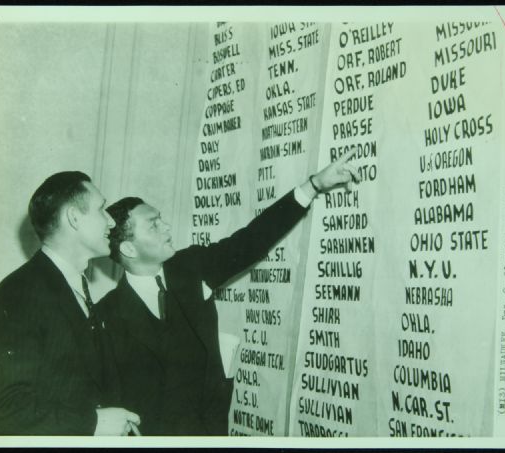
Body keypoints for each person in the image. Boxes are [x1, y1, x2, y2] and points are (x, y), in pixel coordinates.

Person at [99, 150, 360, 435]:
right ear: (128, 248)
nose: (166, 227)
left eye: (161, 219)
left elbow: (252, 240)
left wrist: (314, 186)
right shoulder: (106, 315)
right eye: (153, 224)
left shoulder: (191, 266)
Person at [0, 171, 141, 436]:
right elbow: (2, 410)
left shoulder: (70, 285)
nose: (111, 221)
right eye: (101, 209)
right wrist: (93, 424)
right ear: (73, 218)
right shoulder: (20, 294)